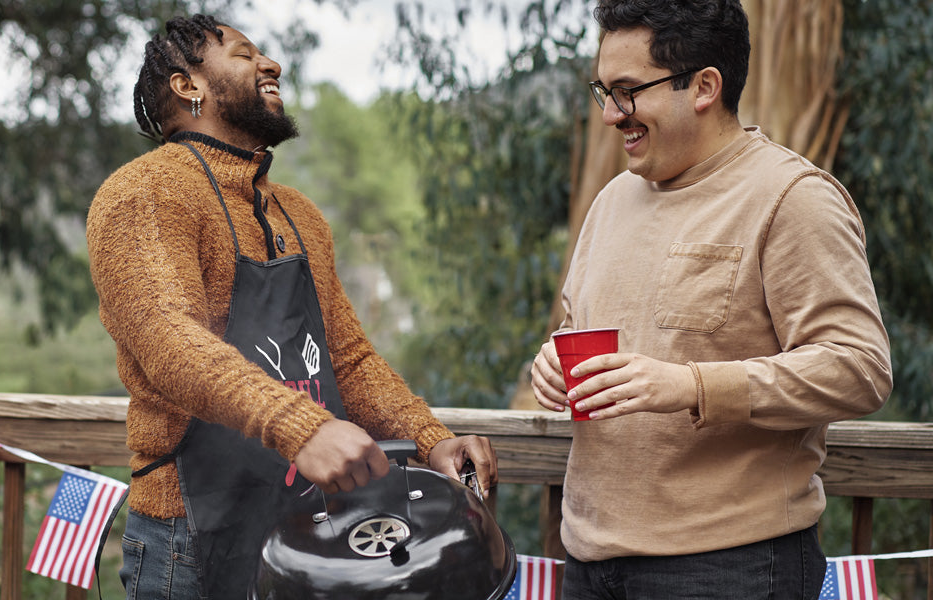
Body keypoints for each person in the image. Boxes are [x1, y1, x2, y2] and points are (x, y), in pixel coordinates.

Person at [85, 14, 497, 600]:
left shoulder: (298, 215)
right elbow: (168, 340)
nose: (271, 64)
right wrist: (302, 429)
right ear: (187, 85)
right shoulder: (143, 193)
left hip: (310, 534)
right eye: (245, 54)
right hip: (188, 542)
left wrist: (431, 439)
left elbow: (349, 360)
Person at [528, 1, 892, 598]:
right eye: (604, 92)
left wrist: (693, 386)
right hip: (588, 561)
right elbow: (579, 326)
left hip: (731, 569)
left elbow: (859, 369)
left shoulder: (793, 198)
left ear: (703, 86)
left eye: (627, 92)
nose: (610, 116)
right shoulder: (611, 201)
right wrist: (549, 361)